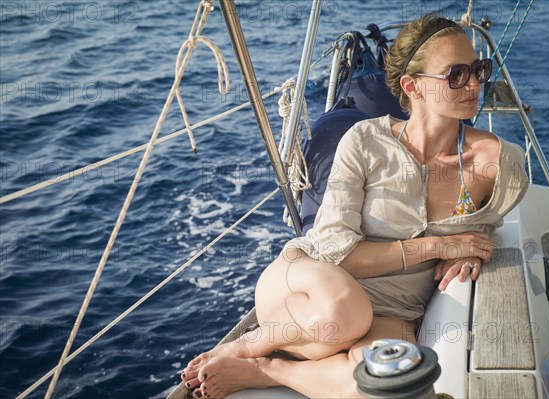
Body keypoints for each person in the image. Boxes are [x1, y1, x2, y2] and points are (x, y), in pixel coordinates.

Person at [181, 13, 529, 399]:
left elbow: (484, 228)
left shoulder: (499, 162)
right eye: (457, 74)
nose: (476, 83)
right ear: (413, 86)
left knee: (378, 384)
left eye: (479, 69)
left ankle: (267, 369)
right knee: (346, 312)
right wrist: (438, 247)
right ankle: (246, 345)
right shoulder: (365, 140)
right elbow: (336, 255)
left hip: (394, 310)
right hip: (310, 284)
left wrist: (474, 251)